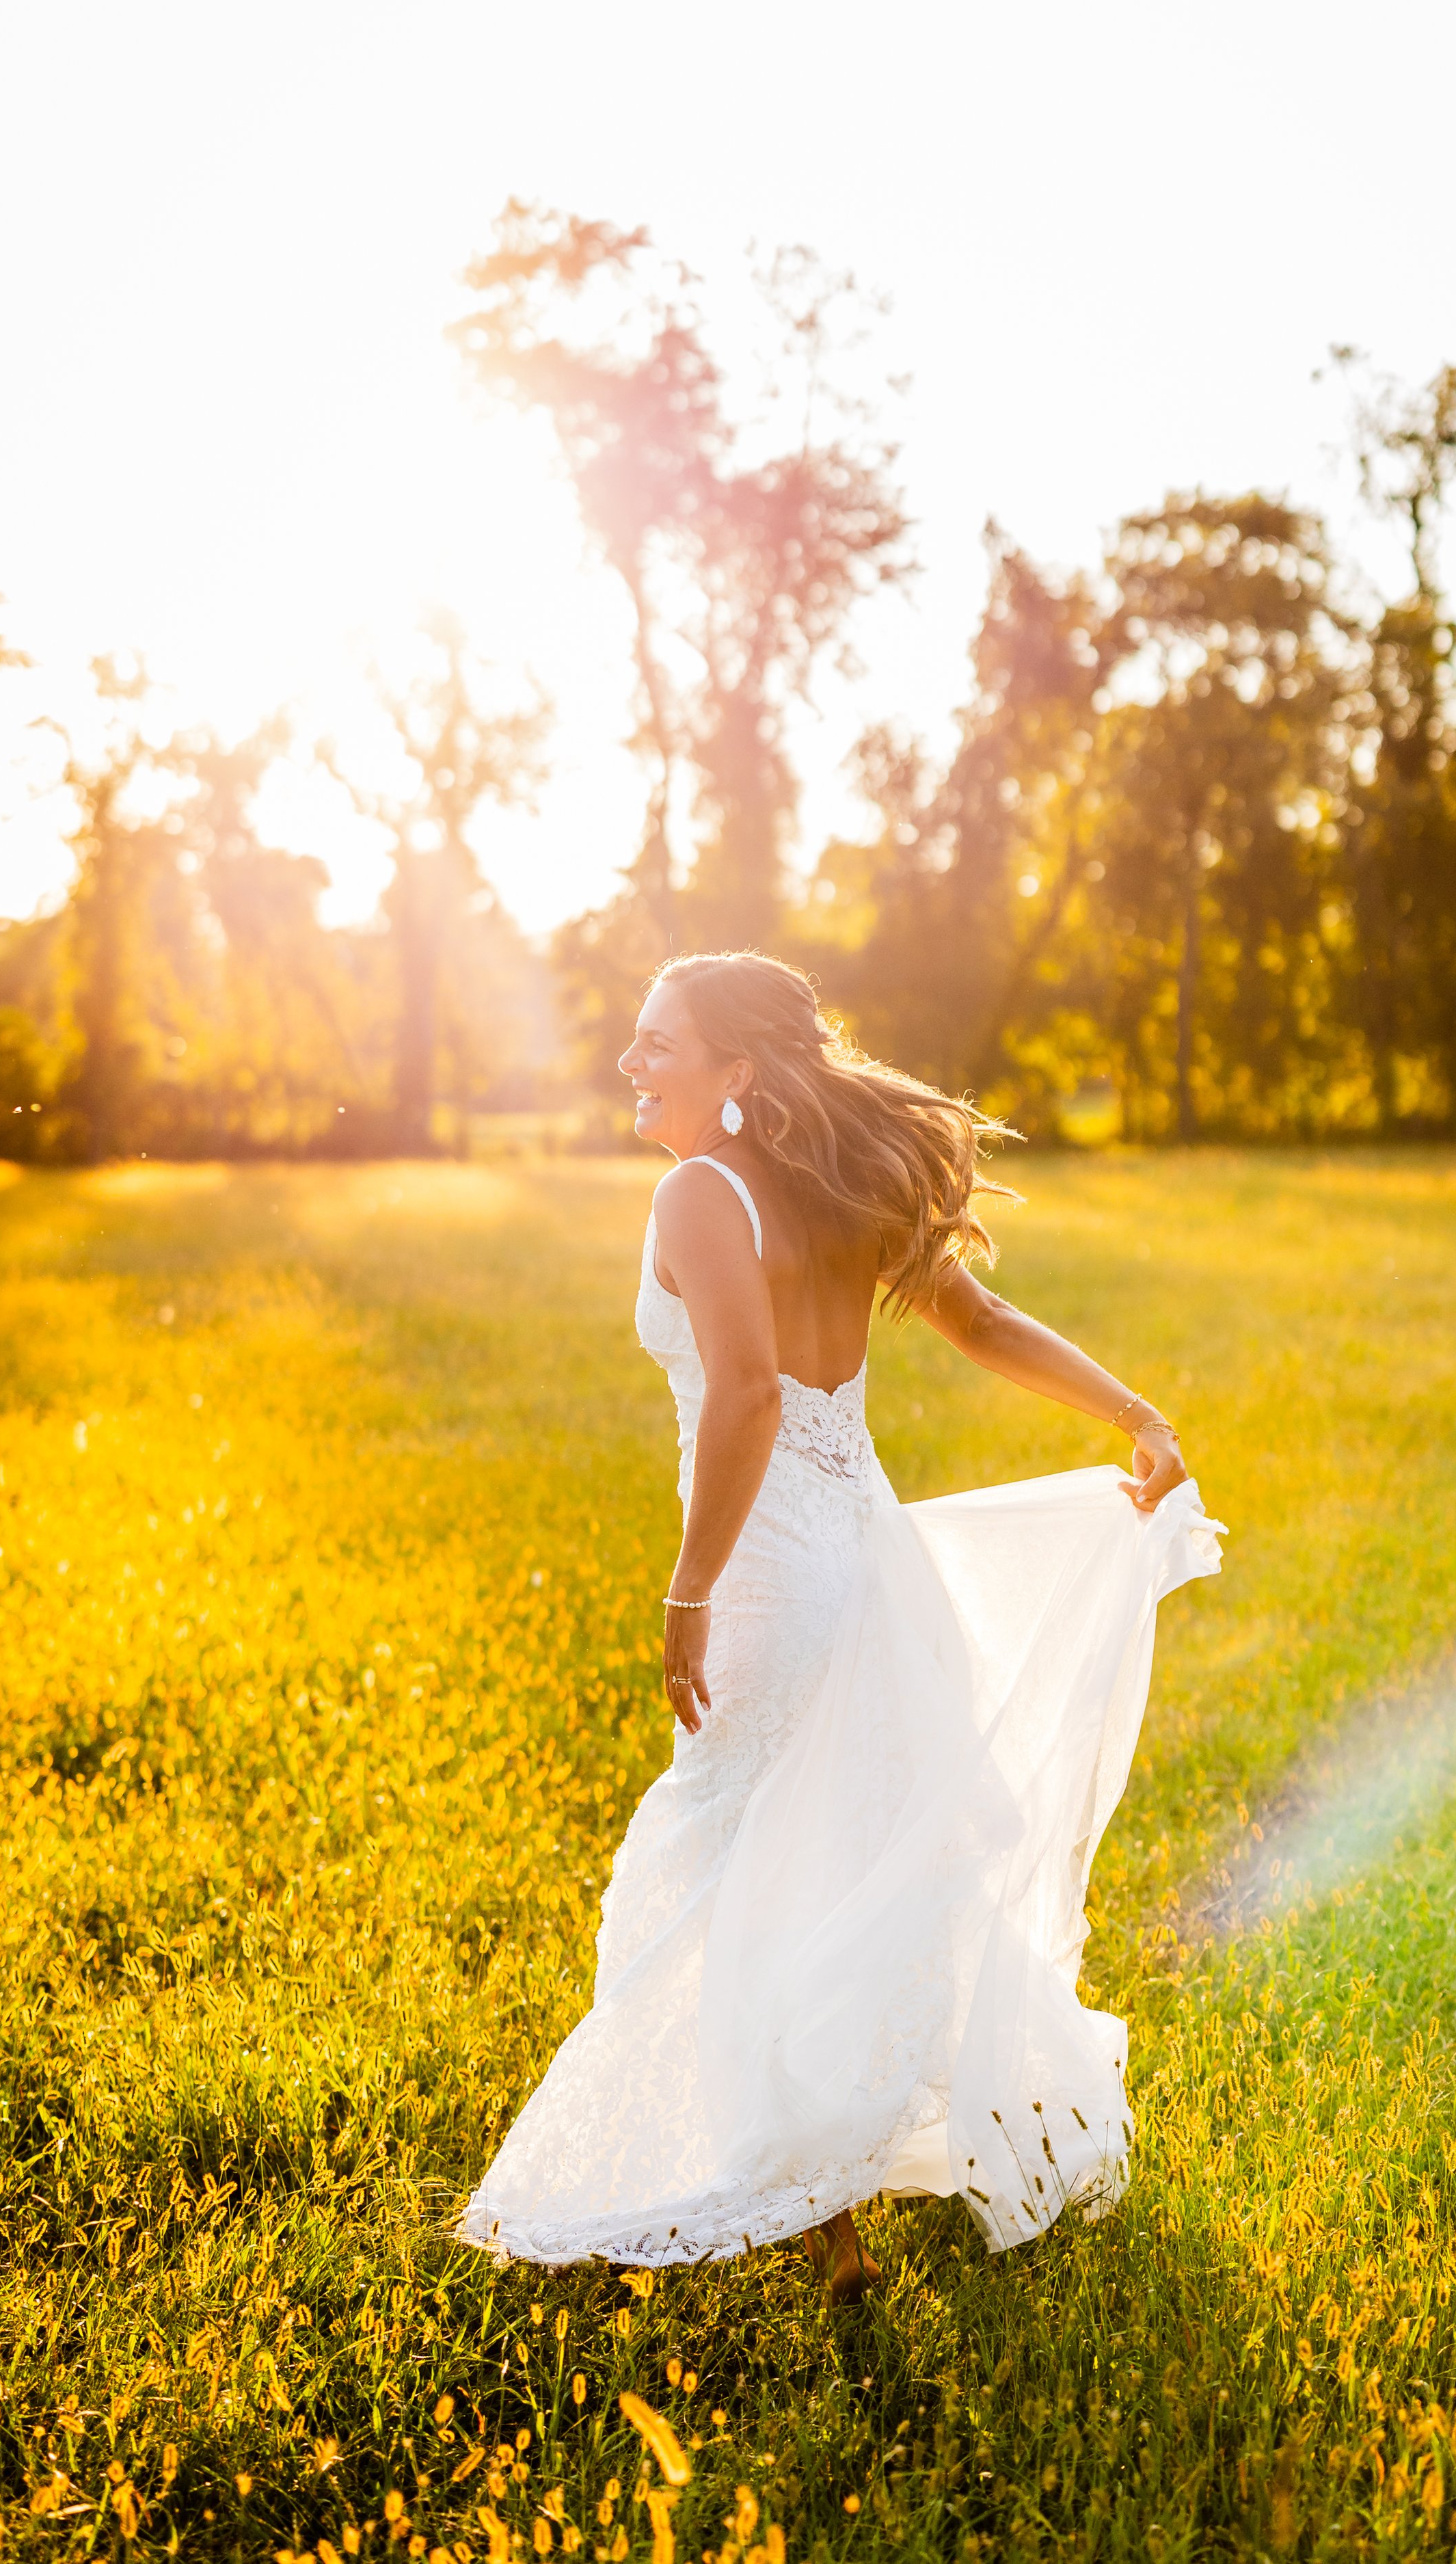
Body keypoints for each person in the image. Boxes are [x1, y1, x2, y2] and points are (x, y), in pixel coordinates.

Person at [459, 952, 1222, 2303]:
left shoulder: (698, 1192)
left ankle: (788, 2197)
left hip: (768, 1576)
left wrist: (688, 1590)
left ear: (737, 1073)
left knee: (712, 1877)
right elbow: (978, 1319)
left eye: (656, 1045)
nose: (631, 1066)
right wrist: (1134, 1416)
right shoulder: (829, 1191)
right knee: (828, 1862)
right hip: (868, 1559)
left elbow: (745, 1397)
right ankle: (837, 2229)